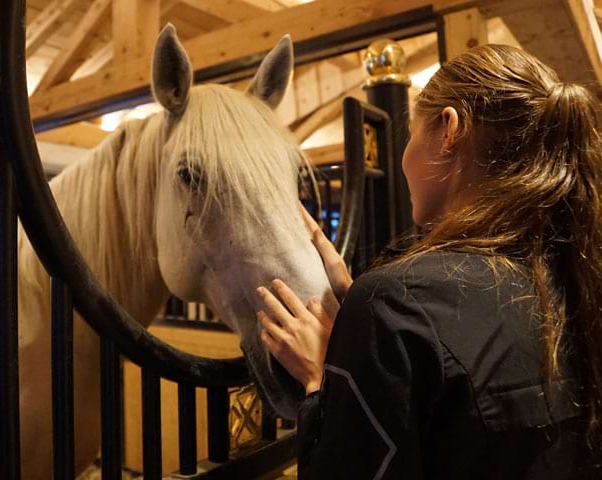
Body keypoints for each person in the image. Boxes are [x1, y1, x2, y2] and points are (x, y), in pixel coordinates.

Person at [255, 44, 602, 479]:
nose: (404, 159)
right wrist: (358, 325)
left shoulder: (395, 302)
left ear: (449, 128)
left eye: (412, 133)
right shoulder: (575, 275)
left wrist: (321, 385)